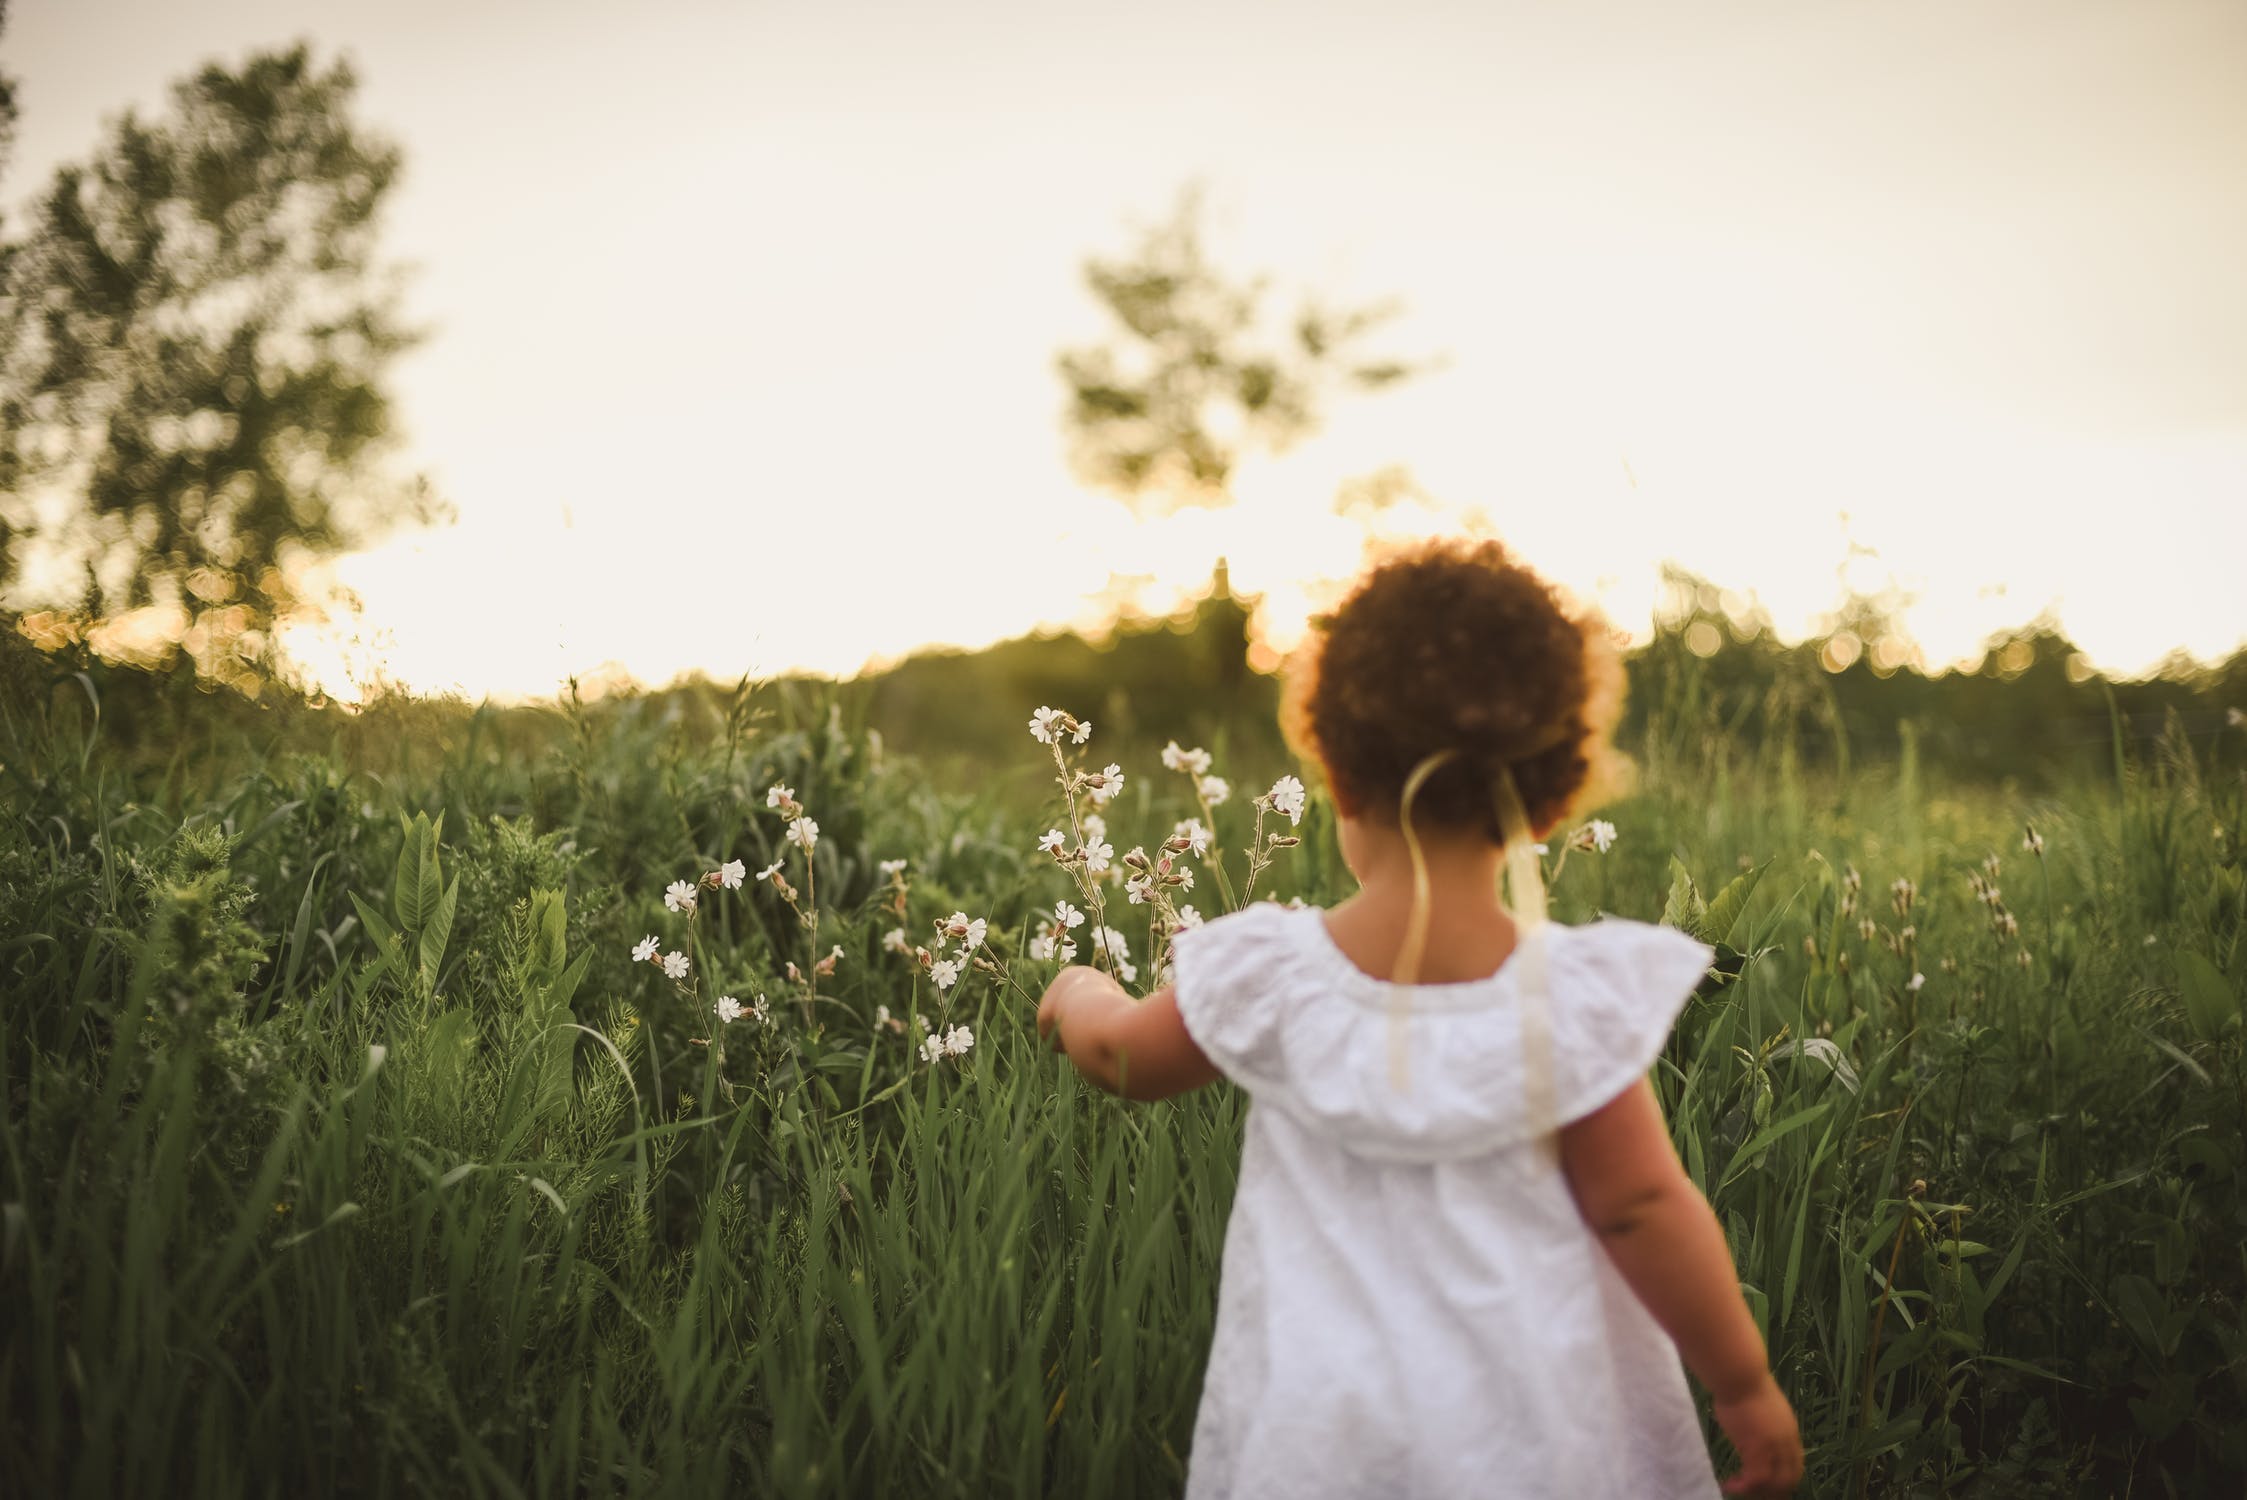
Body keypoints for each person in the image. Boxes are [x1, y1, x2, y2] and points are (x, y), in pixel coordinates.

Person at [1035, 539, 1804, 1498]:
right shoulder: (1564, 1002)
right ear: (1547, 800)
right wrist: (1743, 1386)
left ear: (1337, 770)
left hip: (1323, 1440)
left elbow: (1118, 1056)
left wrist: (1076, 992)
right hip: (1532, 1442)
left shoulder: (1275, 973)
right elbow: (1643, 1205)